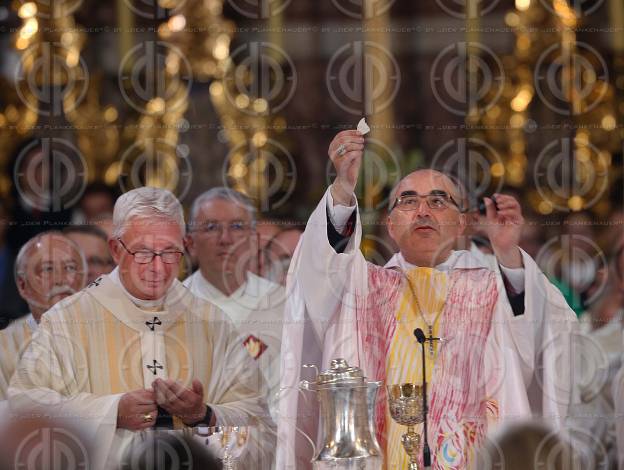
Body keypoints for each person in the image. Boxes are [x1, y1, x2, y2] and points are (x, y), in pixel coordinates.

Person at [277, 129, 578, 469]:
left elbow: (548, 333)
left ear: (462, 223)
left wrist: (508, 255)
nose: (422, 211)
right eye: (408, 201)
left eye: (438, 201)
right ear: (390, 224)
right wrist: (344, 189)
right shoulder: (361, 288)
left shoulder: (492, 287)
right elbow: (321, 268)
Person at [8, 187, 274, 469]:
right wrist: (112, 413)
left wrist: (203, 415)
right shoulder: (68, 320)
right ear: (115, 249)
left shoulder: (211, 321)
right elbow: (24, 409)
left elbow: (260, 426)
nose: (158, 267)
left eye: (170, 252)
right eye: (143, 252)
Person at [184, 188, 285, 418]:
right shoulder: (173, 305)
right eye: (211, 228)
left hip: (270, 441)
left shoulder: (283, 303)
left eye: (237, 227)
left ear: (254, 240)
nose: (225, 239)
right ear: (190, 244)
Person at [0, 231, 87, 400]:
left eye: (70, 268)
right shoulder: (3, 348)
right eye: (47, 269)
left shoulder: (108, 332)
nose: (60, 280)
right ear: (23, 285)